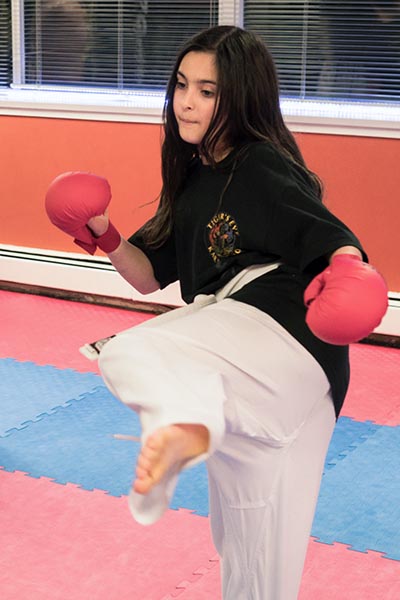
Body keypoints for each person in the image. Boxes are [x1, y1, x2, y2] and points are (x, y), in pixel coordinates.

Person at [45, 25, 388, 600]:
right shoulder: (194, 179)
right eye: (182, 85)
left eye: (207, 91)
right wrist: (100, 231)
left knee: (133, 352)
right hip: (271, 381)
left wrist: (350, 271)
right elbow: (148, 276)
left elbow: (328, 233)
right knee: (252, 556)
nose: (187, 101)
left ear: (242, 98)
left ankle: (185, 423)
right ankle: (192, 423)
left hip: (279, 333)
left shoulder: (260, 164)